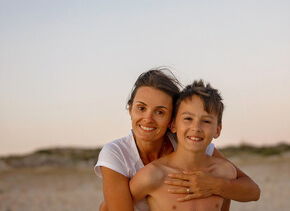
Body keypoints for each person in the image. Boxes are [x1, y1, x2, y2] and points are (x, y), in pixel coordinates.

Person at [94, 68, 260, 211]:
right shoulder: (120, 156)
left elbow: (250, 190)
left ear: (171, 121)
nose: (148, 118)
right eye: (141, 108)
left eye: (160, 112)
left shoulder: (196, 147)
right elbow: (107, 208)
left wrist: (215, 185)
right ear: (130, 109)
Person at [130, 80, 238, 210]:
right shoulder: (152, 175)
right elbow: (108, 207)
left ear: (218, 130)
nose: (196, 127)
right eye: (188, 119)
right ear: (173, 125)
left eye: (206, 121)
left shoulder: (225, 173)